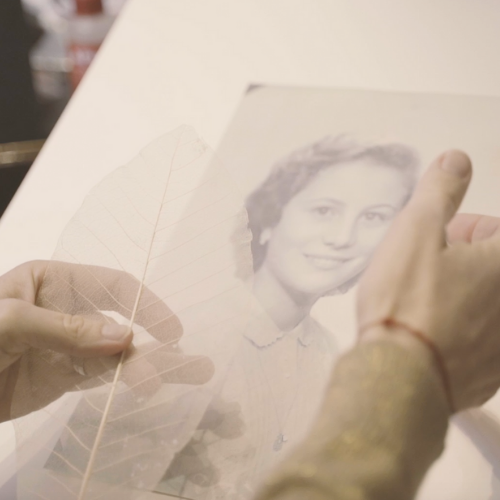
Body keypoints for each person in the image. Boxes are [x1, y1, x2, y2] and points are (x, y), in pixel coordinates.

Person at [1, 150, 499, 500]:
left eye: (373, 219)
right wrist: (412, 373)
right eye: (324, 209)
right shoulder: (173, 339)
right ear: (268, 219)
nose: (343, 237)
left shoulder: (331, 352)